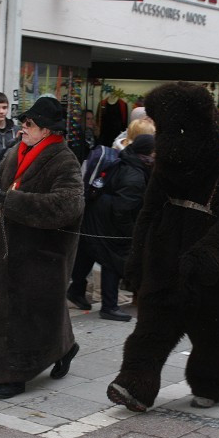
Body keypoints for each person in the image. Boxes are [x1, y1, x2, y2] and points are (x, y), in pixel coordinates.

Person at [105, 82, 219, 412]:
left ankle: (212, 384)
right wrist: (136, 261)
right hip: (163, 266)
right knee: (150, 330)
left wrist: (204, 258)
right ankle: (135, 384)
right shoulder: (165, 170)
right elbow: (148, 213)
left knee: (211, 337)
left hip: (210, 277)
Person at [0, 96, 84, 399]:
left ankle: (15, 373)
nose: (23, 127)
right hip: (8, 247)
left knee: (27, 314)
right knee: (10, 309)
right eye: (23, 122)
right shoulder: (15, 152)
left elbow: (68, 205)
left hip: (41, 253)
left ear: (47, 130)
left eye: (30, 124)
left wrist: (11, 201)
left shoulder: (64, 159)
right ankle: (61, 348)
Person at [68, 132, 155, 322]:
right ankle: (109, 307)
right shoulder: (135, 176)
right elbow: (123, 210)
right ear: (147, 154)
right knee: (113, 259)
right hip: (107, 220)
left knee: (89, 251)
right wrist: (129, 234)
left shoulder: (128, 160)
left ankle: (76, 292)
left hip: (94, 213)